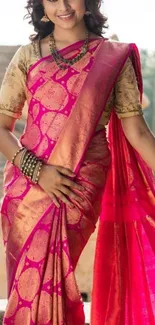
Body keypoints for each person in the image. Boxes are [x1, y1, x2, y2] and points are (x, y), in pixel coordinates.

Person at [0, 0, 155, 324]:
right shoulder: (29, 56)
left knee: (52, 273)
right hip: (26, 186)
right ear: (41, 5)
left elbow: (137, 131)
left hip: (78, 186)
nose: (64, 6)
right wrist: (38, 172)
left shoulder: (114, 57)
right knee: (27, 283)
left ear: (89, 3)